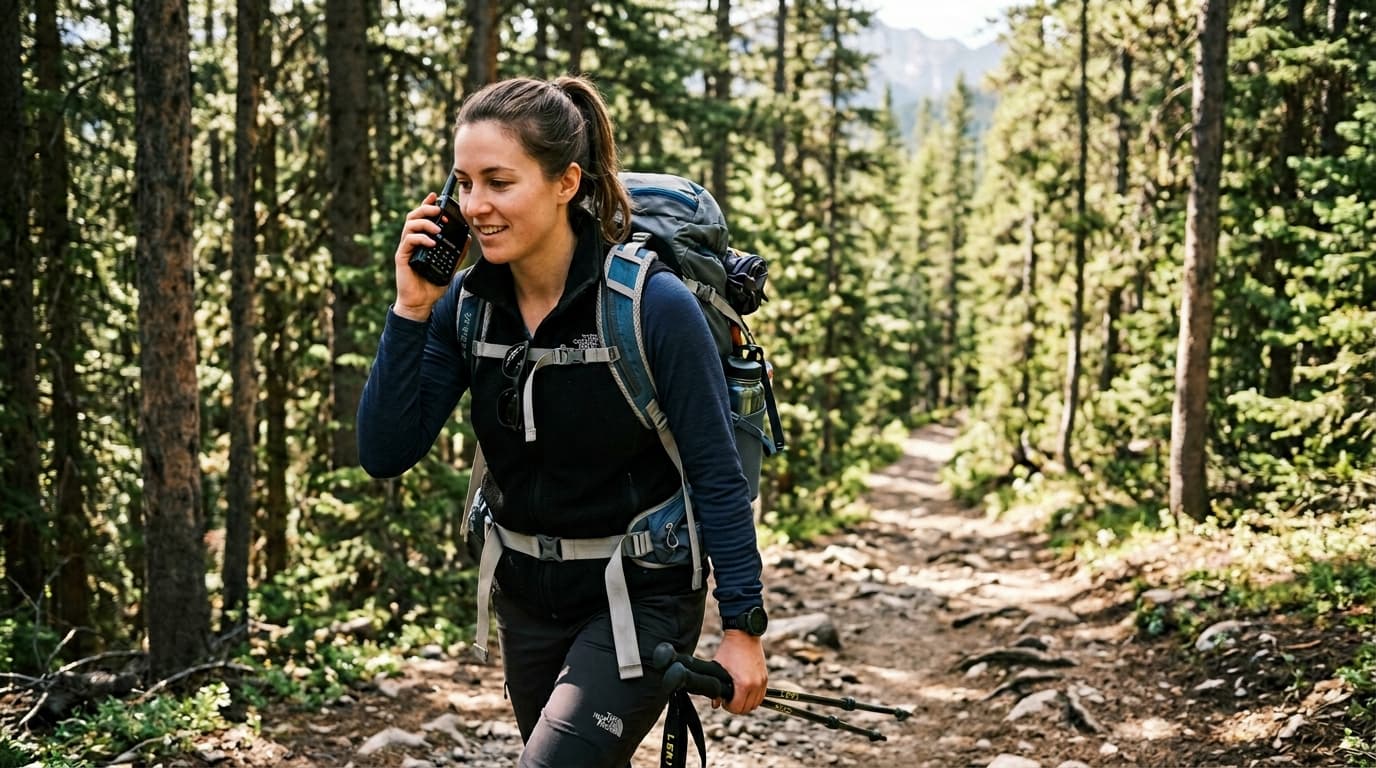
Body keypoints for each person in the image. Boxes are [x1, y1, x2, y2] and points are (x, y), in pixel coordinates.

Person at [357, 74, 769, 767]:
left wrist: (743, 626)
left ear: (565, 182)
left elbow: (714, 473)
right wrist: (410, 308)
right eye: (463, 183)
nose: (475, 206)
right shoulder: (468, 305)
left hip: (641, 596)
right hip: (529, 600)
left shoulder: (652, 307)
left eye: (499, 181)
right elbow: (385, 449)